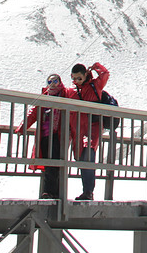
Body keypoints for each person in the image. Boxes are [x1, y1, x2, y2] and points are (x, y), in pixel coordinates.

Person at [14, 73, 70, 199]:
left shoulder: (65, 94)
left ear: (60, 82)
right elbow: (33, 113)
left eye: (55, 81)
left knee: (54, 163)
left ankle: (51, 192)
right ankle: (50, 192)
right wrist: (23, 127)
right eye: (50, 82)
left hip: (57, 135)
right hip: (44, 135)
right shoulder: (45, 96)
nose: (53, 84)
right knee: (47, 163)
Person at [67, 61, 111, 201]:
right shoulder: (71, 91)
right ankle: (86, 191)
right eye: (73, 78)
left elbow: (105, 74)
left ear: (86, 75)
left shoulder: (95, 85)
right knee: (81, 158)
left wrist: (96, 66)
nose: (76, 81)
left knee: (88, 155)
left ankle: (88, 191)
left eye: (79, 78)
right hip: (77, 128)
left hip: (92, 128)